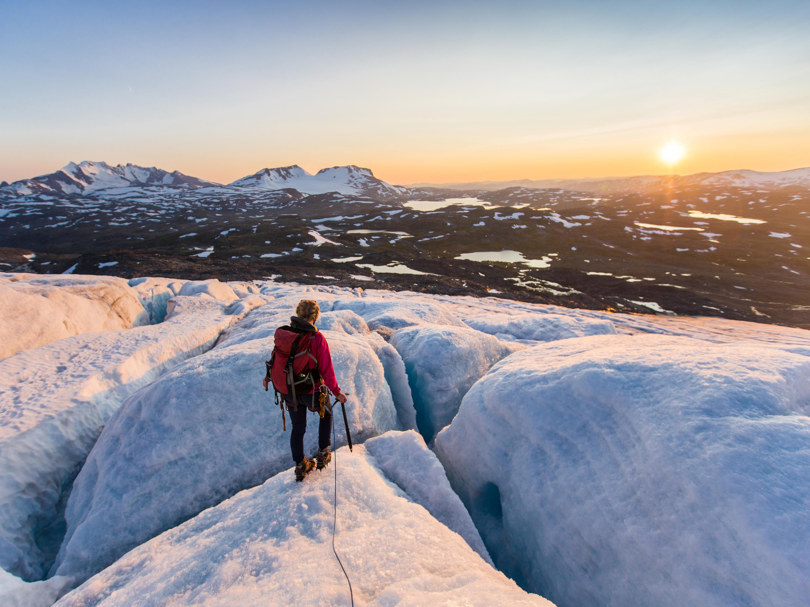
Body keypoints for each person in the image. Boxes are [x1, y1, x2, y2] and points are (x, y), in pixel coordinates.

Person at [263, 299, 347, 481]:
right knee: (327, 413)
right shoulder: (316, 339)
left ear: (298, 313)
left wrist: (268, 379)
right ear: (315, 316)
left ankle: (301, 465)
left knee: (298, 428)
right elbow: (327, 370)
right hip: (311, 390)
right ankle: (324, 451)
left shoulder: (284, 334)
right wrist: (337, 392)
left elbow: (275, 359)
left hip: (289, 390)